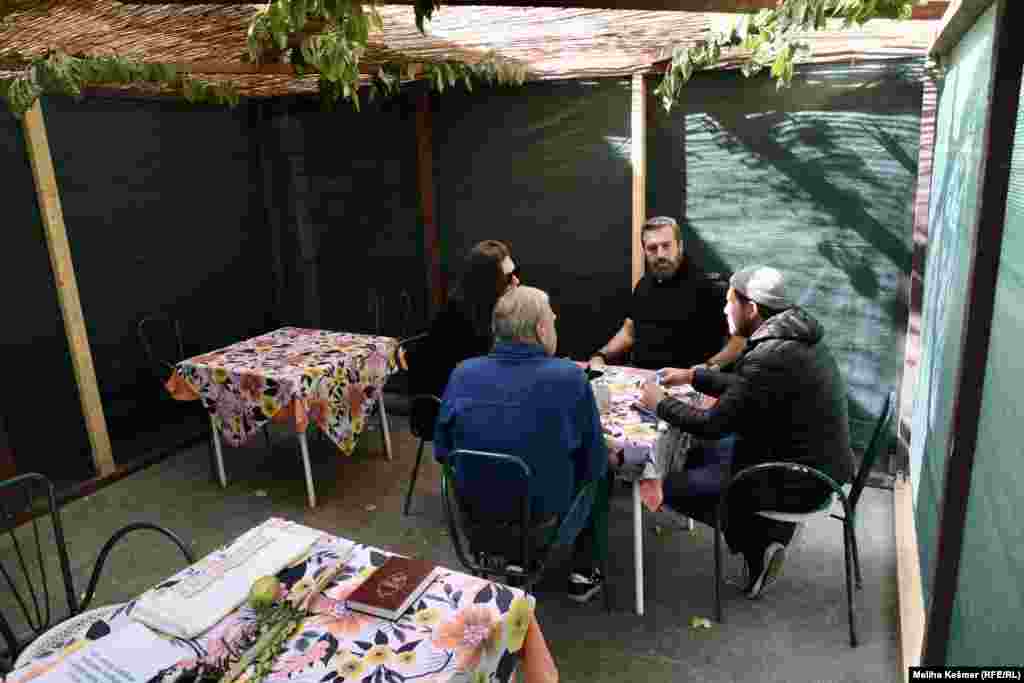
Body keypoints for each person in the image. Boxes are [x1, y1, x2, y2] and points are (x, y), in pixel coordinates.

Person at [639, 265, 854, 599]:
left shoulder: (769, 355)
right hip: (819, 466)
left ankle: (759, 544)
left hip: (800, 480)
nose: (725, 309)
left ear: (751, 308)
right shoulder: (794, 338)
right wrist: (692, 376)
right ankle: (768, 536)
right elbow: (747, 388)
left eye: (730, 302)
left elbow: (713, 425)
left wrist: (660, 404)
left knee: (671, 485)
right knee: (702, 455)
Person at [434, 286, 610, 603]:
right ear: (541, 329)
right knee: (602, 471)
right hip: (546, 527)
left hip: (477, 525)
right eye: (553, 321)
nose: (554, 325)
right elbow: (594, 463)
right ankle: (582, 572)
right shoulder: (570, 378)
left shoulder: (462, 374)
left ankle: (517, 562)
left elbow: (441, 451)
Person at [589, 216, 745, 372]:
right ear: (644, 250)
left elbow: (739, 341)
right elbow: (629, 332)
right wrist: (601, 355)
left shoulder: (711, 286)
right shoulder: (643, 285)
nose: (660, 254)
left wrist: (707, 368)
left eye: (666, 246)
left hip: (688, 386)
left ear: (680, 246)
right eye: (652, 248)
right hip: (640, 380)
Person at [405, 240, 519, 399]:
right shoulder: (459, 315)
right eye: (508, 277)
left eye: (515, 273)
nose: (516, 281)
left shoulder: (483, 305)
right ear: (489, 282)